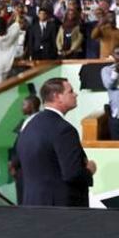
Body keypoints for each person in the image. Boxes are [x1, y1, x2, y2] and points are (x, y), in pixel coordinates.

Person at [16, 77, 95, 207]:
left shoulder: (28, 126)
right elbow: (72, 174)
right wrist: (90, 170)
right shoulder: (64, 130)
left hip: (32, 205)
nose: (75, 94)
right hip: (61, 211)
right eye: (70, 91)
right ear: (57, 96)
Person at [8, 95, 41, 204]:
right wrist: (12, 163)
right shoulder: (25, 122)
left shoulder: (38, 122)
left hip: (29, 168)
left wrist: (14, 163)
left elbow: (26, 146)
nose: (22, 107)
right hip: (20, 168)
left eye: (24, 104)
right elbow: (16, 144)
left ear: (31, 105)